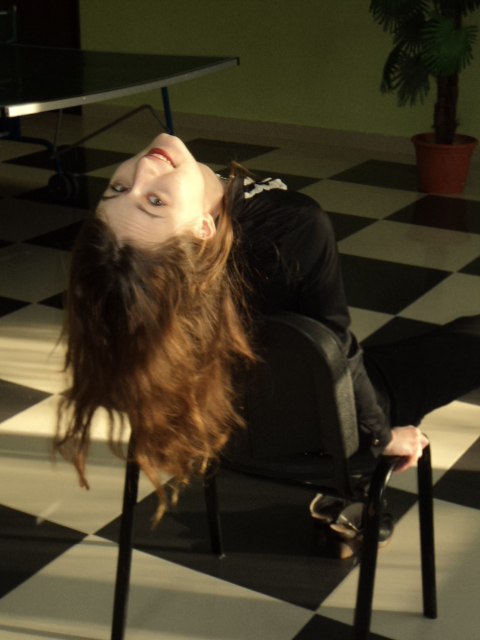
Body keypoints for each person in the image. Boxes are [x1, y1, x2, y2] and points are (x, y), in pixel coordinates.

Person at [56, 133, 480, 546]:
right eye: (155, 202)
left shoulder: (145, 283)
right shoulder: (293, 224)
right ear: (202, 228)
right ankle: (353, 491)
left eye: (119, 188)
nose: (143, 170)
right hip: (323, 430)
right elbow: (338, 355)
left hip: (219, 429)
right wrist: (381, 438)